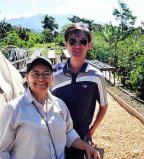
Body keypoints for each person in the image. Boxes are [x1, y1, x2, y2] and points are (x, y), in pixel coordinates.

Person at [0, 56, 100, 159]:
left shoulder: (60, 105)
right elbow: (1, 152)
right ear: (27, 77)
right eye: (35, 74)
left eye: (46, 73)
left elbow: (68, 133)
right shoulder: (13, 109)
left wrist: (87, 147)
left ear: (52, 78)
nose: (41, 78)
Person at [52, 23, 108, 159]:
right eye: (72, 41)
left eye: (83, 41)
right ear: (66, 44)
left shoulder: (96, 76)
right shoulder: (53, 73)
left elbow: (103, 105)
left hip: (81, 137)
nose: (77, 46)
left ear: (89, 45)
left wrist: (92, 130)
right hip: (53, 134)